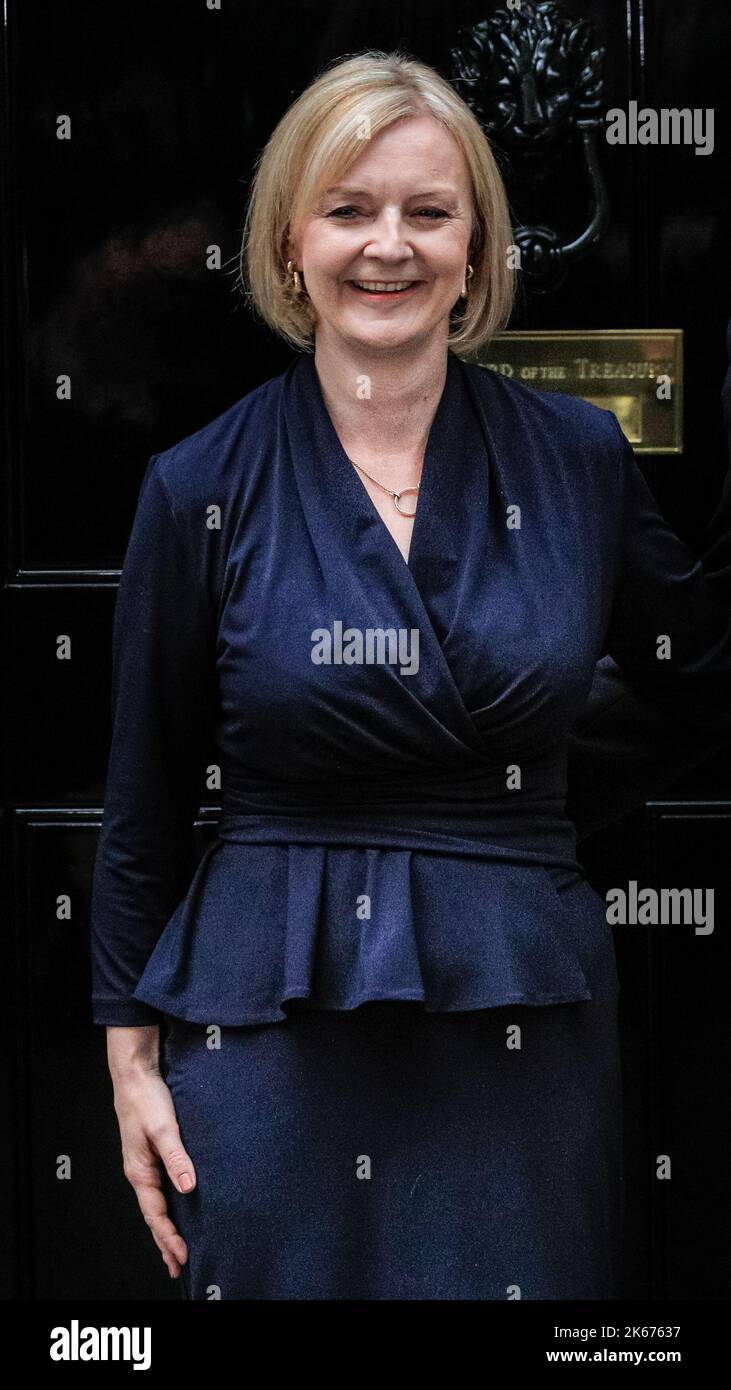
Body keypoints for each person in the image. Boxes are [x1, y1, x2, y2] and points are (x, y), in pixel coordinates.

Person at [90, 51, 731, 1301]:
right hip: (264, 1019)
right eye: (349, 210)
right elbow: (143, 799)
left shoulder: (576, 460)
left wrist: (516, 794)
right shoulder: (198, 485)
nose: (388, 246)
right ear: (288, 243)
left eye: (427, 212)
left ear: (477, 248)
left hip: (516, 1000)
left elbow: (697, 679)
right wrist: (128, 1060)